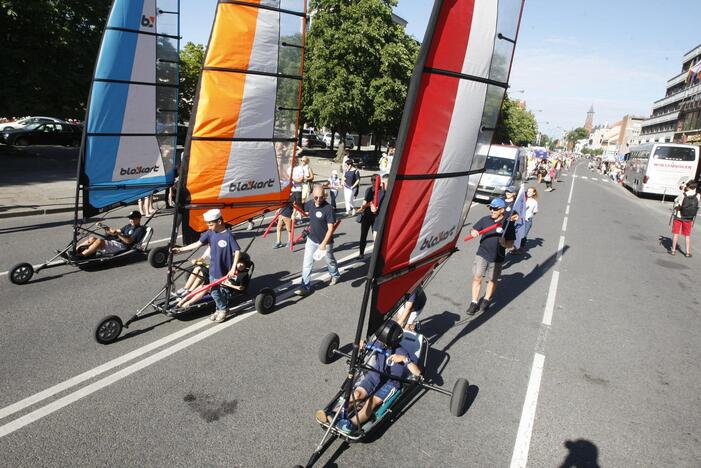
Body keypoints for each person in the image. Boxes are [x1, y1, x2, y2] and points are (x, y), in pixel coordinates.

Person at [316, 321, 422, 434]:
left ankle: (351, 424)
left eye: (380, 338)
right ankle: (333, 413)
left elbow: (418, 373)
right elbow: (365, 345)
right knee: (357, 394)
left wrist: (405, 360)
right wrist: (362, 345)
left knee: (371, 401)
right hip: (375, 375)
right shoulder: (379, 344)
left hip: (392, 383)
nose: (378, 340)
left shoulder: (403, 353)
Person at [171, 209, 241, 322]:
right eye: (208, 224)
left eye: (210, 224)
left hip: (224, 271)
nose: (208, 226)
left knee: (216, 292)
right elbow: (197, 244)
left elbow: (237, 251)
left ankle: (222, 309)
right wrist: (180, 249)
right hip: (213, 269)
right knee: (214, 291)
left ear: (219, 222)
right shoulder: (210, 233)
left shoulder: (228, 235)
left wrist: (233, 268)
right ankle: (221, 309)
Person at [465, 198, 516, 316]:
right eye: (490, 208)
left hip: (497, 257)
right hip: (482, 254)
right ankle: (474, 302)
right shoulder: (485, 220)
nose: (491, 211)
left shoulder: (508, 224)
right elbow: (473, 229)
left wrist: (504, 243)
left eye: (495, 209)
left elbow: (511, 244)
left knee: (492, 280)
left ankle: (486, 299)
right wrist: (472, 232)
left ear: (502, 210)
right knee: (477, 277)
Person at [294, 185, 341, 296]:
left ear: (325, 196)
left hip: (325, 242)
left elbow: (331, 229)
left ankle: (335, 275)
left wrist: (323, 244)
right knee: (307, 264)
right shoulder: (310, 203)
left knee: (329, 260)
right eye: (316, 197)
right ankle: (305, 286)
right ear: (313, 196)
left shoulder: (328, 208)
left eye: (321, 197)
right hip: (311, 239)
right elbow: (301, 208)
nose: (318, 200)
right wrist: (295, 201)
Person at [70, 210, 147, 259]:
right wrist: (104, 227)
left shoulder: (140, 229)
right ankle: (75, 251)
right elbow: (115, 231)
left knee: (100, 241)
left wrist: (118, 234)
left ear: (139, 219)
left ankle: (80, 256)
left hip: (122, 246)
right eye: (130, 218)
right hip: (115, 242)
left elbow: (129, 241)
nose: (131, 220)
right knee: (92, 238)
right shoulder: (128, 226)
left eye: (133, 218)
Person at [357, 174, 388, 259]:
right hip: (366, 215)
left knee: (375, 235)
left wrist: (369, 204)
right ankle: (361, 253)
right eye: (372, 180)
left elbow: (374, 203)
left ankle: (376, 254)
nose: (374, 181)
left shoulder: (381, 191)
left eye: (375, 180)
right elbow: (365, 200)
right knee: (363, 234)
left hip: (375, 216)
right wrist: (361, 208)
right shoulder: (368, 190)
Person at [670, 181, 699, 257]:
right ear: (695, 187)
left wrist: (682, 191)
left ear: (688, 186)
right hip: (689, 218)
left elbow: (677, 203)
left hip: (679, 216)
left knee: (676, 233)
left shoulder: (683, 194)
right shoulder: (698, 195)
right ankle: (687, 252)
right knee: (687, 235)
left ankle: (673, 250)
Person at [513, 186, 538, 254]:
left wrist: (528, 215)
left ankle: (521, 248)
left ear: (533, 193)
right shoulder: (523, 200)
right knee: (517, 233)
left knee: (524, 235)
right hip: (519, 219)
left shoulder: (534, 202)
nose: (528, 193)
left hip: (527, 221)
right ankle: (515, 248)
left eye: (531, 192)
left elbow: (535, 212)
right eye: (528, 191)